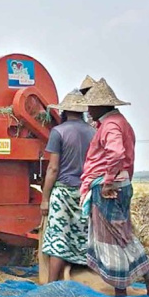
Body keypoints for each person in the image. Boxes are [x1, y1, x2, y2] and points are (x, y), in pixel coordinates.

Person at [78, 79, 149, 297]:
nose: (88, 111)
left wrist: (106, 183)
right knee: (123, 234)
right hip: (121, 183)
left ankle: (121, 291)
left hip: (110, 187)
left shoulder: (111, 125)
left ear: (100, 106)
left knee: (112, 237)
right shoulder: (119, 121)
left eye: (90, 106)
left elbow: (116, 153)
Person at [40, 89, 96, 283]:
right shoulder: (93, 132)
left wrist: (45, 199)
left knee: (58, 238)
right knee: (83, 238)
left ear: (64, 111)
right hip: (86, 193)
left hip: (63, 193)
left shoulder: (58, 132)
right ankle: (83, 281)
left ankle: (51, 284)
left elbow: (53, 169)